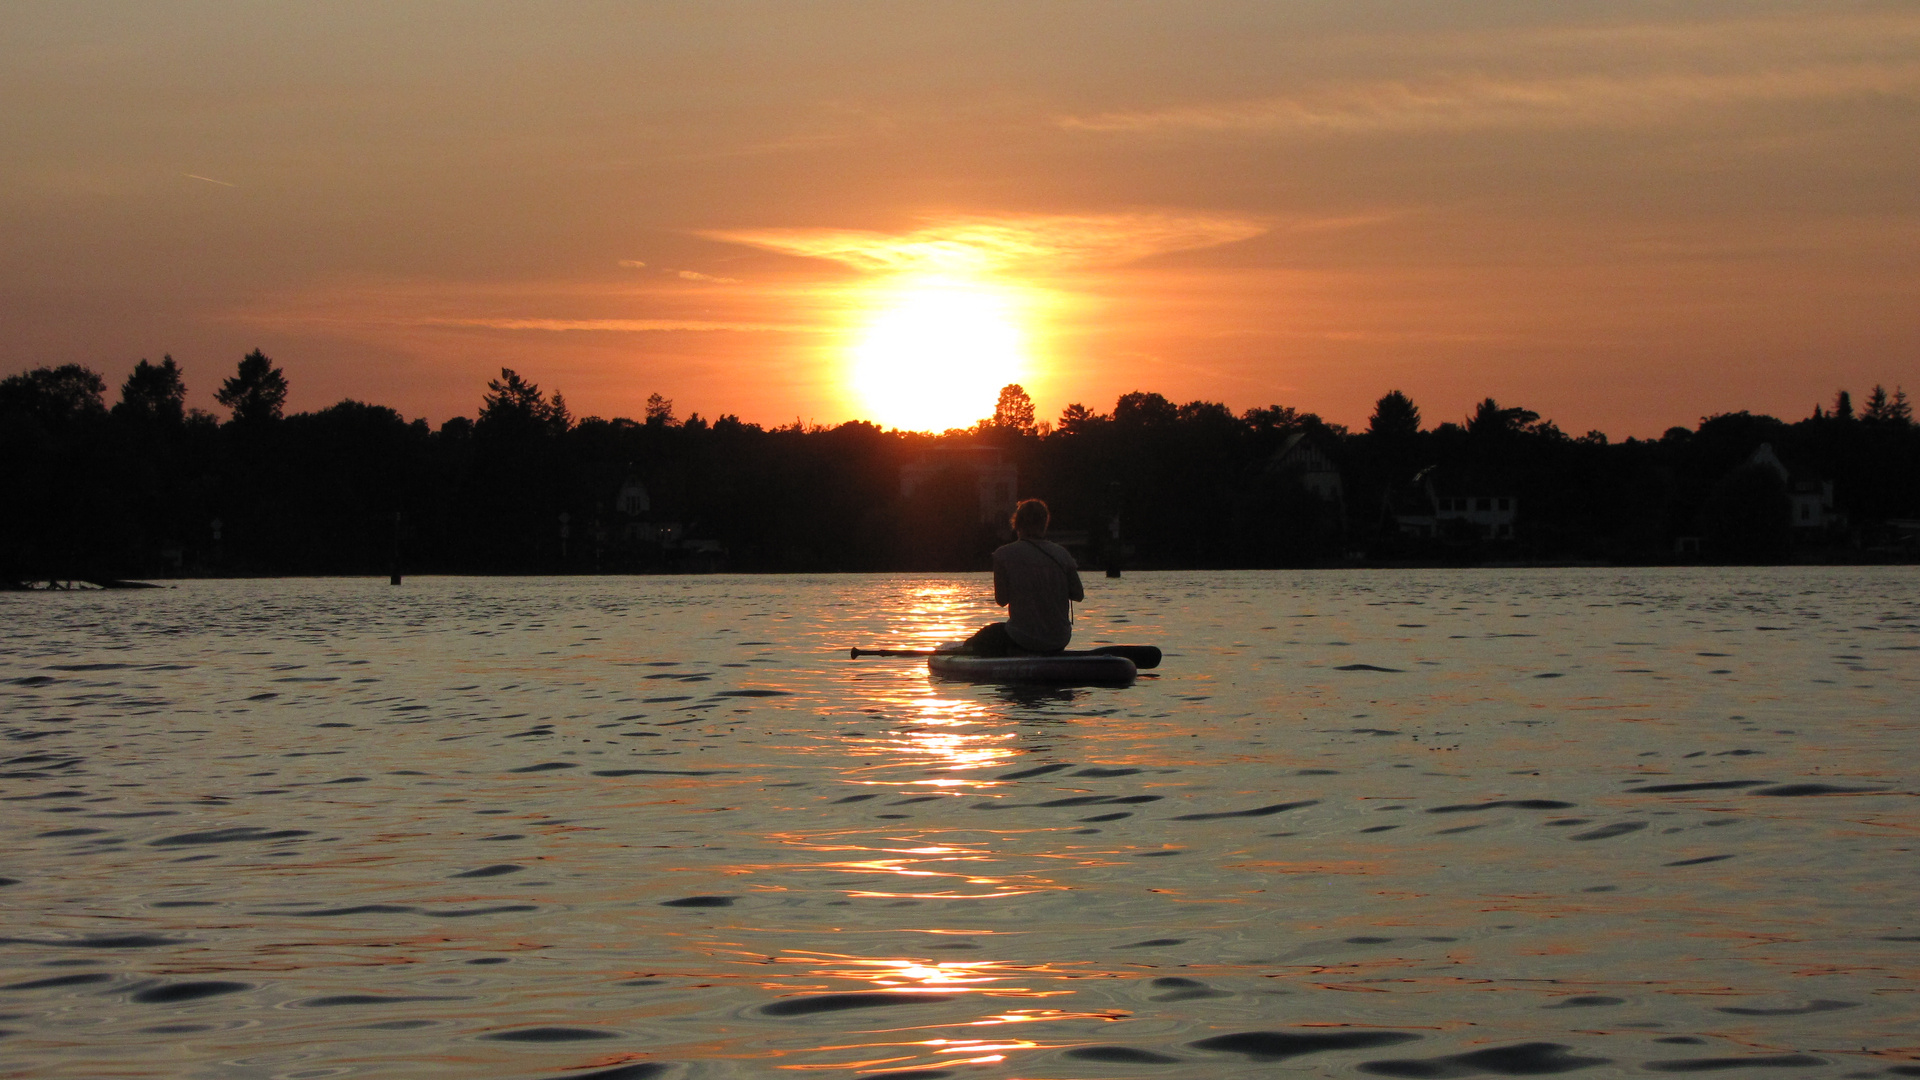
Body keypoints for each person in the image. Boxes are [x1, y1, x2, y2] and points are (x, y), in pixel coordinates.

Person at [962, 498, 1085, 656]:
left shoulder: (1002, 554)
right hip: (1059, 639)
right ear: (1044, 523)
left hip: (1022, 638)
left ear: (1017, 523)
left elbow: (1002, 600)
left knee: (984, 636)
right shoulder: (1063, 554)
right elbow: (1078, 595)